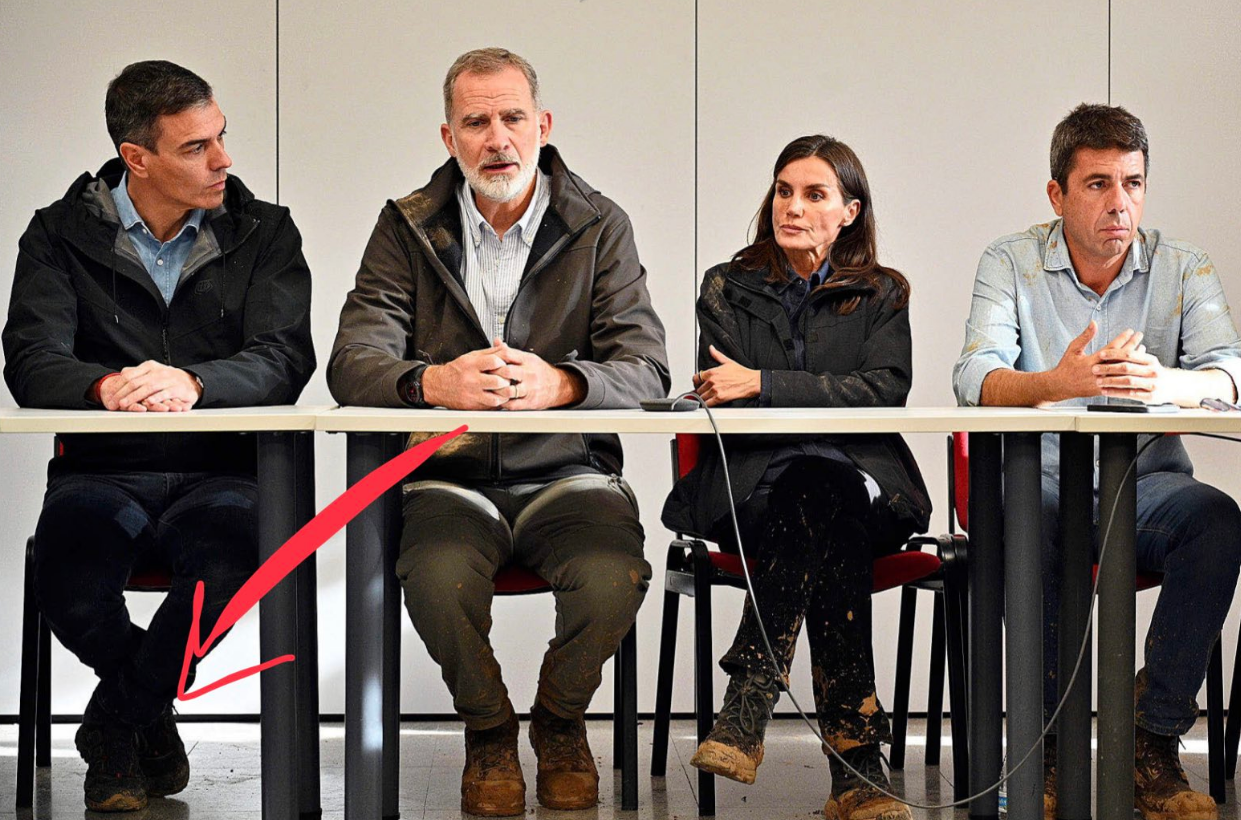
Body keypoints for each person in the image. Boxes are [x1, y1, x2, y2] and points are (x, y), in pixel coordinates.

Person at [327, 47, 669, 816]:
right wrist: (429, 383)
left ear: (542, 125)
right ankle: (488, 729)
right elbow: (351, 362)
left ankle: (557, 721)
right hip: (448, 475)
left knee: (615, 578)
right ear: (447, 137)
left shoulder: (598, 223)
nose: (497, 138)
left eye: (512, 117)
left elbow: (646, 370)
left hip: (568, 474)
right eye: (475, 122)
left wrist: (566, 384)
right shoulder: (405, 226)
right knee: (436, 579)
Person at [2, 60, 315, 811]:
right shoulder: (55, 234)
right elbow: (32, 360)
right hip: (101, 471)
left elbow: (284, 357)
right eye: (195, 147)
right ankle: (151, 715)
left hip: (223, 474)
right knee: (68, 580)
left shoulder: (264, 231)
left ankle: (114, 725)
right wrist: (104, 388)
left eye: (222, 138)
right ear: (136, 158)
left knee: (226, 565)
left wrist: (196, 384)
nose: (223, 161)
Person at [953, 103, 1241, 820]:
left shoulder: (1182, 266)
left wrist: (1165, 384)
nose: (1120, 203)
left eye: (1133, 183)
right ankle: (1047, 752)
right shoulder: (1009, 260)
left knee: (1215, 521)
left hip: (1146, 490)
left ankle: (1152, 738)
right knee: (1040, 525)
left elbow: (1231, 370)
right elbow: (973, 378)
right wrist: (1059, 383)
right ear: (1055, 194)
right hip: (1038, 485)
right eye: (1097, 185)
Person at [662, 134, 931, 820]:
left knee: (824, 491)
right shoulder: (727, 287)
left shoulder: (882, 292)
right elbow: (721, 389)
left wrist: (765, 384)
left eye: (814, 195)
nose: (793, 206)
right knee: (817, 498)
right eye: (784, 191)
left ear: (848, 212)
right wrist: (795, 391)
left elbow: (882, 391)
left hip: (862, 485)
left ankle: (746, 702)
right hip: (751, 485)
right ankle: (858, 771)